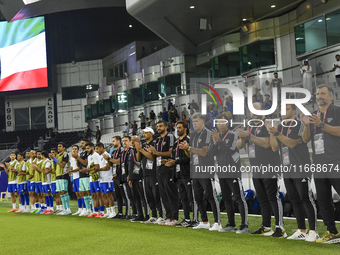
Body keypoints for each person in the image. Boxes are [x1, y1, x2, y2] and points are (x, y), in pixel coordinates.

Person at [266, 104, 319, 242]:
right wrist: (272, 132)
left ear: (293, 111)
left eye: (287, 109)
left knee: (306, 198)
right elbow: (274, 147)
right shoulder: (281, 127)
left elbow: (293, 143)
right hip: (287, 168)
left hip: (301, 167)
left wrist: (276, 133)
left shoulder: (298, 124)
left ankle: (313, 231)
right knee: (294, 199)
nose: (283, 112)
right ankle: (301, 230)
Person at [236, 102, 285, 238]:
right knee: (262, 198)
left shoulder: (269, 124)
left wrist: (249, 136)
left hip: (270, 166)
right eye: (251, 111)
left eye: (256, 111)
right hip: (256, 167)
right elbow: (239, 146)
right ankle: (266, 226)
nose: (253, 114)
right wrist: (241, 138)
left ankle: (280, 227)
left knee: (273, 197)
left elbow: (267, 144)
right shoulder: (250, 126)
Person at [301, 85, 340, 244]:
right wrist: (307, 126)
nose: (319, 96)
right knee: (323, 201)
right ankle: (332, 232)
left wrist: (321, 124)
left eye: (323, 93)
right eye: (317, 94)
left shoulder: (337, 111)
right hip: (318, 163)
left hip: (336, 161)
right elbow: (305, 139)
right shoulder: (313, 115)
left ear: (331, 96)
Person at [179, 113, 221, 230]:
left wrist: (189, 148)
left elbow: (204, 152)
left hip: (206, 168)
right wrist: (186, 149)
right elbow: (190, 154)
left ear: (202, 122)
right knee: (198, 197)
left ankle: (218, 222)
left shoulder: (208, 133)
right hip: (195, 169)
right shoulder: (194, 136)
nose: (194, 123)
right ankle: (204, 221)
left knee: (210, 195)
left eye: (196, 121)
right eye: (193, 121)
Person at [209, 114, 249, 234]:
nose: (221, 125)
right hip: (221, 172)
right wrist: (215, 143)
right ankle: (231, 224)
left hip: (233, 171)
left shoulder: (233, 134)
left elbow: (231, 150)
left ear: (227, 123)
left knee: (239, 198)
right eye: (218, 123)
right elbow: (211, 153)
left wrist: (219, 140)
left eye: (223, 122)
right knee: (226, 199)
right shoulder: (216, 137)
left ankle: (244, 225)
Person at [146, 120, 179, 226]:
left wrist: (157, 153)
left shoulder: (170, 137)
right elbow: (154, 156)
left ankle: (175, 218)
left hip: (168, 169)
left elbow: (171, 152)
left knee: (171, 194)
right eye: (157, 126)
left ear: (166, 127)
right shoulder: (157, 140)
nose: (158, 128)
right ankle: (168, 217)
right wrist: (150, 153)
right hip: (159, 170)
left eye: (160, 126)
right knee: (163, 195)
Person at [166, 121, 198, 227]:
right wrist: (169, 162)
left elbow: (190, 158)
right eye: (176, 128)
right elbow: (174, 158)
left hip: (188, 173)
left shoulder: (189, 140)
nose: (177, 129)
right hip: (178, 174)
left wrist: (176, 161)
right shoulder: (176, 143)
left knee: (191, 197)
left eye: (179, 128)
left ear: (185, 129)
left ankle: (195, 219)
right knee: (183, 198)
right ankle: (187, 219)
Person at [135, 127, 163, 223]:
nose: (144, 134)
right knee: (149, 196)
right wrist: (139, 150)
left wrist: (141, 150)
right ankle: (153, 215)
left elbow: (152, 157)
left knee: (156, 195)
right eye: (143, 133)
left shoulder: (154, 143)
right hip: (145, 174)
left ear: (151, 133)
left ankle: (161, 215)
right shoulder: (143, 144)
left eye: (146, 133)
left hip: (154, 173)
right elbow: (138, 160)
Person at [104, 136, 131, 219]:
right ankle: (119, 213)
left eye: (114, 141)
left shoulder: (122, 150)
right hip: (115, 176)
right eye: (112, 141)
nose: (112, 143)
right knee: (118, 196)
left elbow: (119, 162)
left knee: (125, 196)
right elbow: (112, 164)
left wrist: (109, 159)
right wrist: (108, 160)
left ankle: (127, 213)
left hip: (121, 176)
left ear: (118, 141)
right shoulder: (114, 152)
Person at [128, 136, 149, 222]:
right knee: (136, 197)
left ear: (139, 141)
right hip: (133, 177)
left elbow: (140, 161)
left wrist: (139, 149)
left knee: (143, 197)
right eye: (132, 141)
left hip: (140, 176)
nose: (133, 142)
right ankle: (140, 215)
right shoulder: (132, 151)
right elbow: (130, 165)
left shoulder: (142, 149)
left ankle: (146, 215)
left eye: (134, 141)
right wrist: (130, 177)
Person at [80, 142, 101, 217]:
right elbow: (89, 168)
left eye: (88, 148)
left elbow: (97, 167)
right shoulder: (89, 157)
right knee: (93, 195)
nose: (87, 150)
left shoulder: (96, 155)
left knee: (99, 195)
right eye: (86, 149)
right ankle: (95, 211)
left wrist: (86, 170)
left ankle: (101, 211)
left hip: (96, 178)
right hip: (91, 178)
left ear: (93, 147)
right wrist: (86, 169)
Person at [49, 142, 71, 215]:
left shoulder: (65, 155)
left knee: (64, 192)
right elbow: (55, 167)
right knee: (60, 193)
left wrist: (55, 159)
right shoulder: (58, 155)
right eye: (58, 146)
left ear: (64, 148)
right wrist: (53, 160)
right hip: (58, 175)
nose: (58, 148)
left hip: (63, 175)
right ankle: (64, 209)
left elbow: (62, 165)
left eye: (60, 146)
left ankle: (68, 209)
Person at [72, 139, 92, 216]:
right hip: (81, 175)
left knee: (88, 192)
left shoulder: (87, 153)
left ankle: (92, 209)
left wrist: (78, 158)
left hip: (86, 174)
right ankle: (86, 209)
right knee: (83, 193)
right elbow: (79, 165)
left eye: (83, 143)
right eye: (81, 143)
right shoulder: (82, 153)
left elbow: (85, 163)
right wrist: (77, 158)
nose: (81, 144)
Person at [96, 142, 116, 218]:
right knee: (103, 195)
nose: (97, 150)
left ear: (101, 148)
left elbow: (108, 167)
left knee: (109, 195)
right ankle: (108, 212)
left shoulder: (107, 155)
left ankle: (113, 212)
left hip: (108, 179)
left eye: (97, 149)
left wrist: (99, 169)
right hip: (102, 179)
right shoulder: (101, 156)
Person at [66, 145, 84, 216]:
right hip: (74, 177)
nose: (74, 150)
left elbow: (79, 168)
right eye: (73, 149)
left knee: (81, 193)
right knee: (77, 194)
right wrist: (70, 171)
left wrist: (72, 170)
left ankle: (84, 209)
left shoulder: (79, 157)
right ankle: (80, 209)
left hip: (79, 177)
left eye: (75, 149)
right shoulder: (72, 158)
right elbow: (72, 168)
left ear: (78, 150)